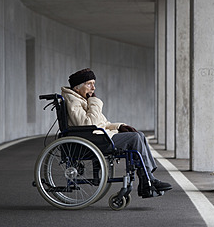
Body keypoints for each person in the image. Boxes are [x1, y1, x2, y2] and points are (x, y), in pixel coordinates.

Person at [61, 68, 172, 196]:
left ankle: (147, 179)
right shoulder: (73, 101)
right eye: (89, 84)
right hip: (92, 140)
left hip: (97, 136)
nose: (93, 88)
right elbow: (87, 124)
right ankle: (148, 180)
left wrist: (120, 126)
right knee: (135, 138)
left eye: (94, 84)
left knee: (139, 135)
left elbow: (102, 123)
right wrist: (94, 103)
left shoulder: (82, 99)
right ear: (77, 87)